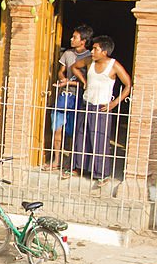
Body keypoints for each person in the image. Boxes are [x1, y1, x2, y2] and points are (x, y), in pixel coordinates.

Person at [70, 35, 132, 186]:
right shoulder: (89, 61)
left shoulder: (113, 65)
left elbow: (128, 85)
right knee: (81, 136)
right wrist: (84, 81)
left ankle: (101, 174)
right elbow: (74, 67)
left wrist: (115, 103)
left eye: (95, 49)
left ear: (104, 52)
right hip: (87, 103)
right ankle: (79, 167)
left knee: (99, 139)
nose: (92, 51)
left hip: (102, 107)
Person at [45, 24, 92, 171]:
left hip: (78, 97)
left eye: (75, 37)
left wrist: (69, 82)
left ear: (83, 41)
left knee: (74, 131)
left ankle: (71, 161)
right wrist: (62, 78)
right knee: (57, 128)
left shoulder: (90, 56)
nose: (71, 39)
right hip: (63, 94)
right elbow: (61, 71)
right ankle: (57, 159)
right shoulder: (67, 54)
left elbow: (88, 81)